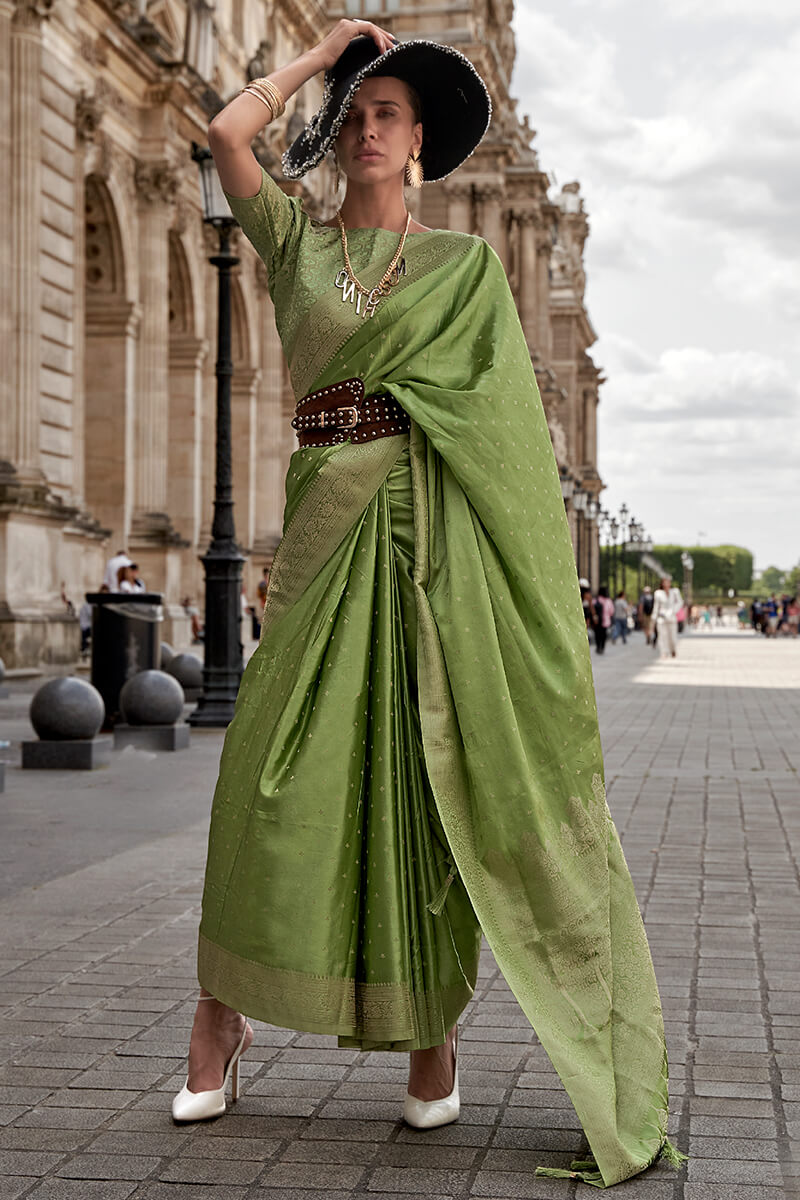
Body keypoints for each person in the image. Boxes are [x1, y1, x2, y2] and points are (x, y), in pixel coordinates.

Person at [172, 20, 684, 1189]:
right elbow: (223, 131)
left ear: (419, 147)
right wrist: (320, 57)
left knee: (420, 789)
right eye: (353, 115)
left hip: (434, 553)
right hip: (322, 539)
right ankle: (221, 1023)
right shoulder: (293, 245)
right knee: (266, 779)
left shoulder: (465, 275)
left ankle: (429, 1045)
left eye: (385, 116)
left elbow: (503, 444)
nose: (363, 130)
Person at [652, 574, 684, 659]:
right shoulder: (658, 593)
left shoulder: (675, 592)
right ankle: (664, 652)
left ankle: (673, 649)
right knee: (662, 636)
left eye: (668, 582)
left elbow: (680, 602)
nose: (666, 584)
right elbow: (656, 606)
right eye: (664, 582)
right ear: (662, 583)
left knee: (672, 637)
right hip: (661, 618)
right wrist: (654, 618)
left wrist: (673, 611)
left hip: (672, 617)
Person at [593, 585, 614, 654]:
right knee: (603, 635)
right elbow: (611, 612)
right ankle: (602, 647)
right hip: (605, 621)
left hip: (597, 620)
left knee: (597, 634)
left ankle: (598, 647)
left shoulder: (595, 600)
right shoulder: (608, 601)